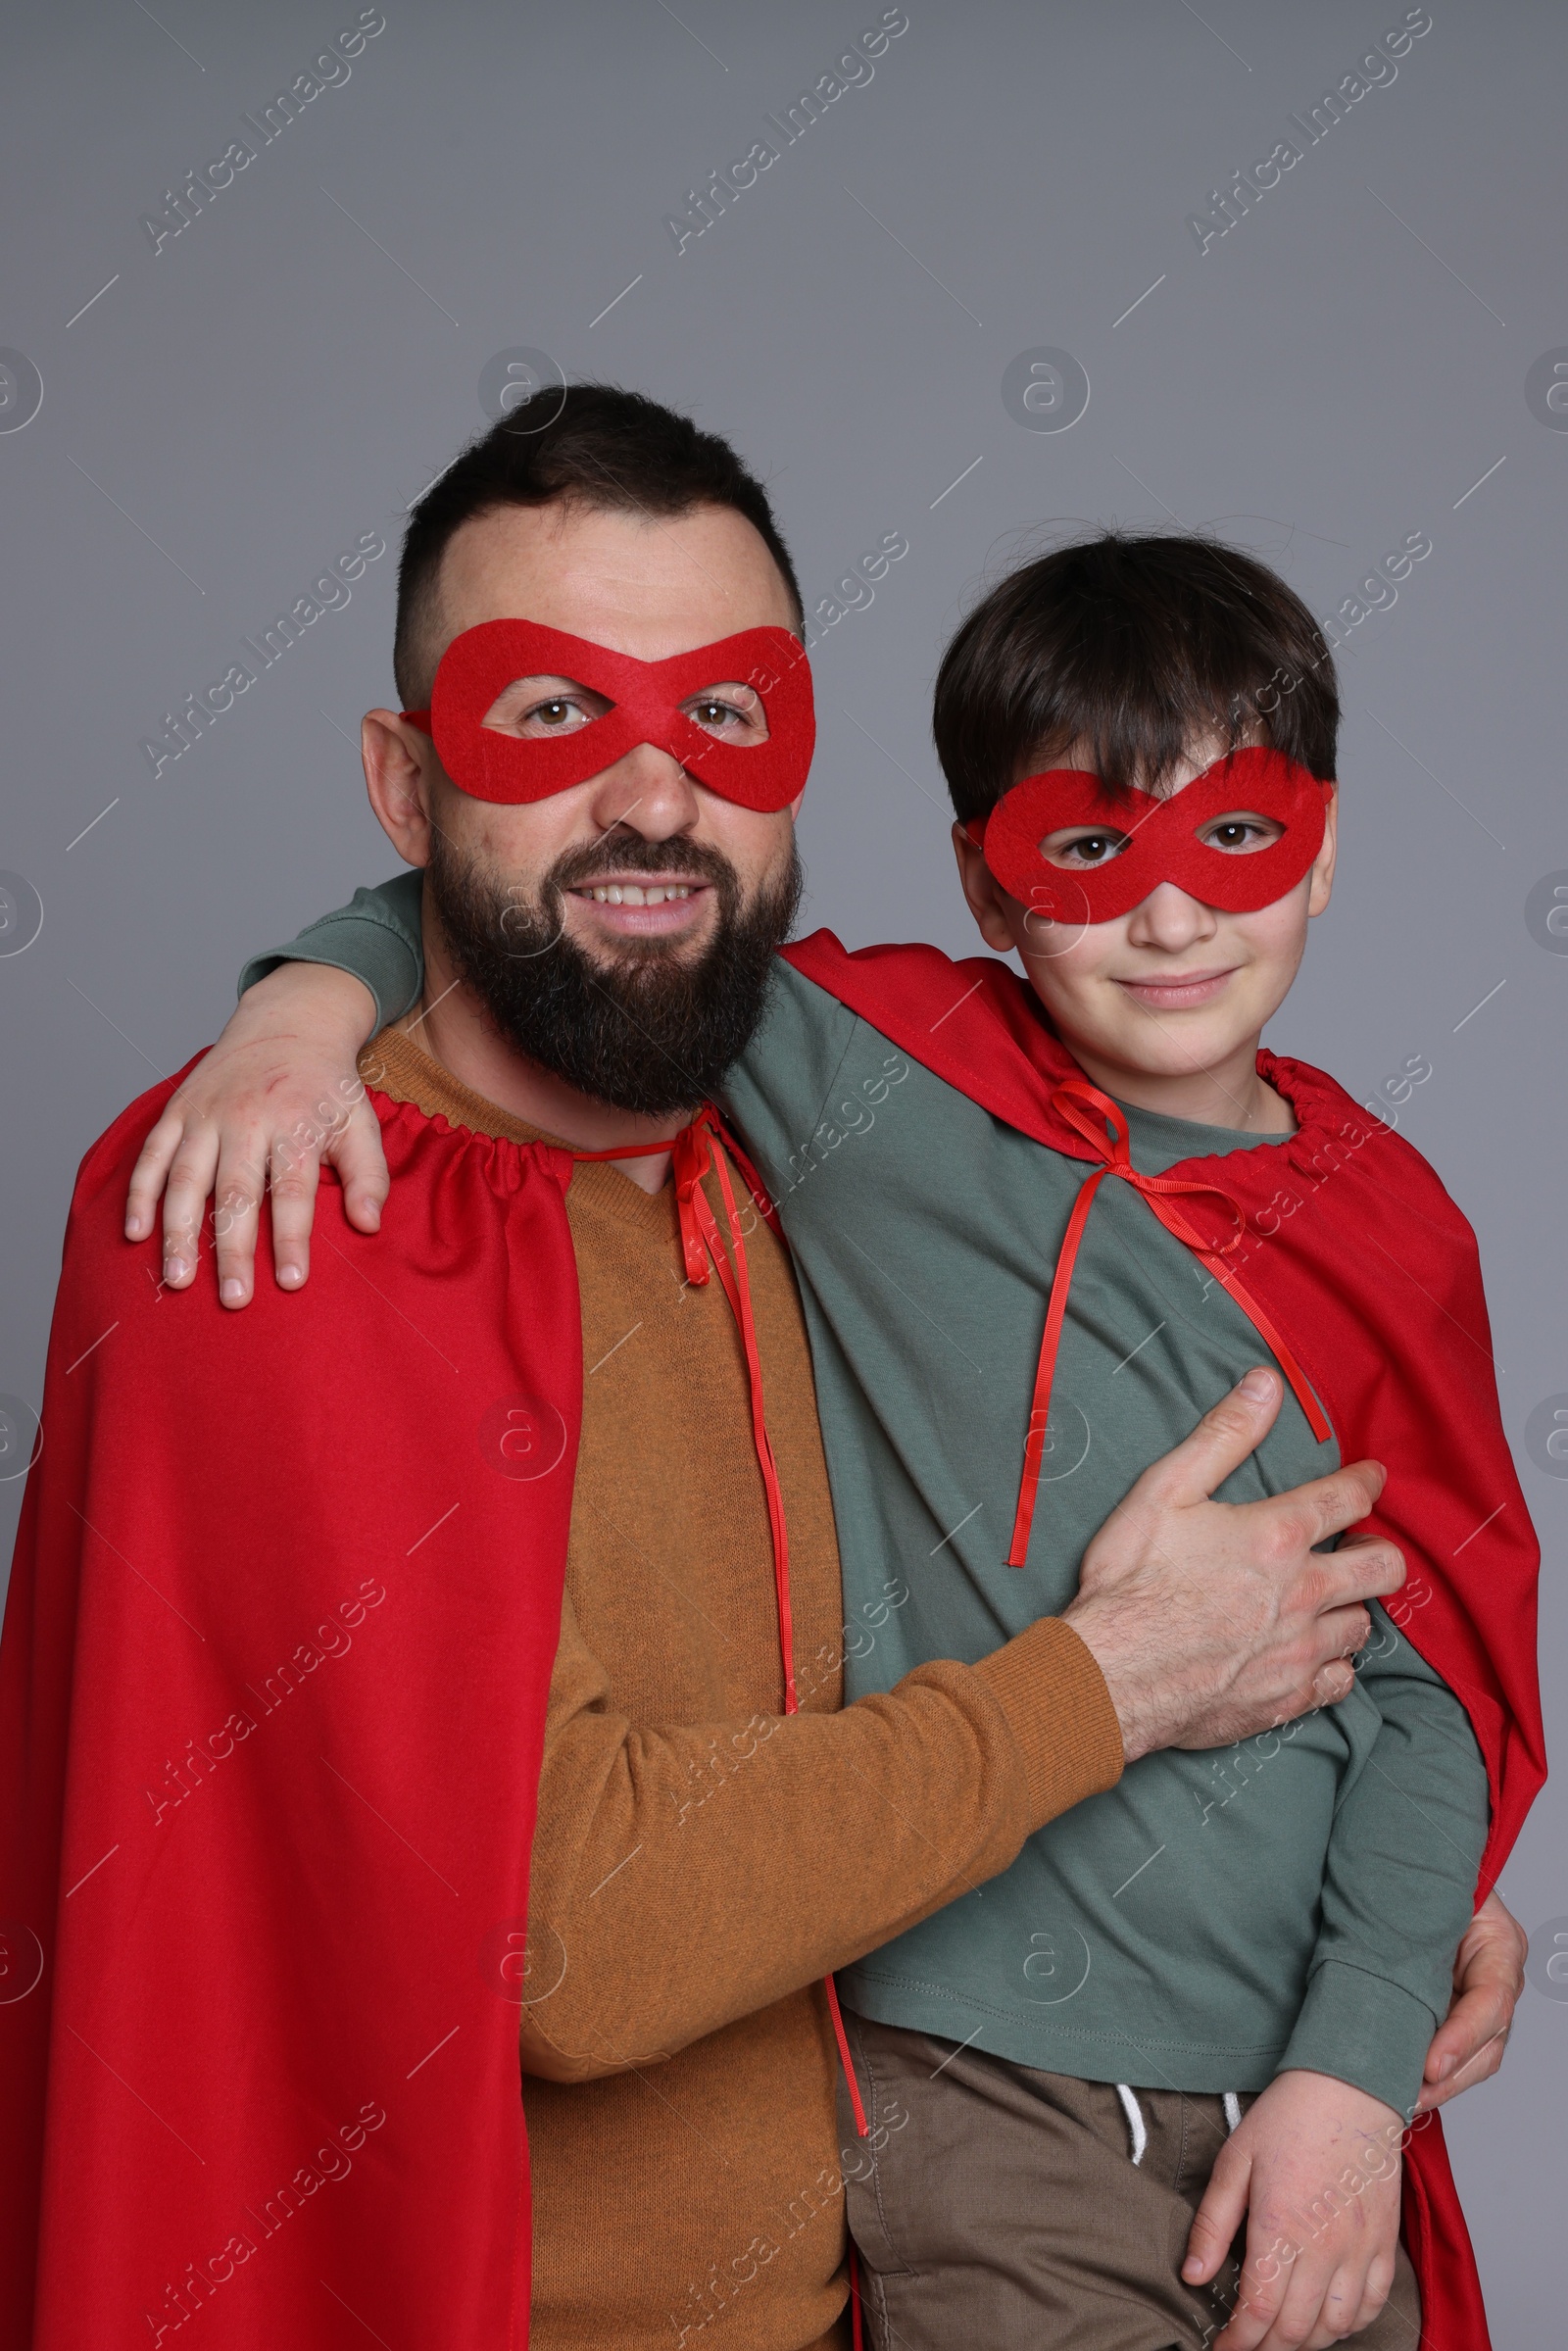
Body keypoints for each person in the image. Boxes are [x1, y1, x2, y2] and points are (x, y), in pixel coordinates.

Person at [107, 390, 1529, 2351]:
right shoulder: (401, 1170)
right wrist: (292, 1011)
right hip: (839, 2210)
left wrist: (1357, 1978)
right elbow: (575, 1937)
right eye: (548, 713)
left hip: (1131, 2168)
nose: (1171, 906)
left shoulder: (817, 1156)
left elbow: (1429, 1656)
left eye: (718, 719)